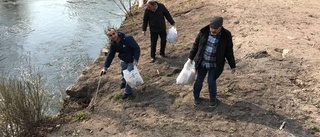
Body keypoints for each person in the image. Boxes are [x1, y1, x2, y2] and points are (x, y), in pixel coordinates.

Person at [188, 16, 236, 107]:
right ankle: (196, 97)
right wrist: (190, 58)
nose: (213, 30)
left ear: (220, 27)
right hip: (203, 62)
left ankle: (213, 99)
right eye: (212, 28)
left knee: (211, 81)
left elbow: (229, 51)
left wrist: (232, 65)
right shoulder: (204, 32)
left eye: (215, 29)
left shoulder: (226, 35)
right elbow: (196, 45)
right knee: (199, 81)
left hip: (215, 64)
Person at [101, 28, 141, 99]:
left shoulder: (128, 38)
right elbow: (110, 55)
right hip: (123, 60)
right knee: (123, 72)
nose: (113, 36)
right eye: (110, 35)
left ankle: (128, 92)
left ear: (117, 33)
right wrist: (105, 68)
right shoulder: (113, 44)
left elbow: (136, 48)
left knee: (129, 76)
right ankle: (123, 82)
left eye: (114, 34)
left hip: (131, 60)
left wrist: (136, 59)